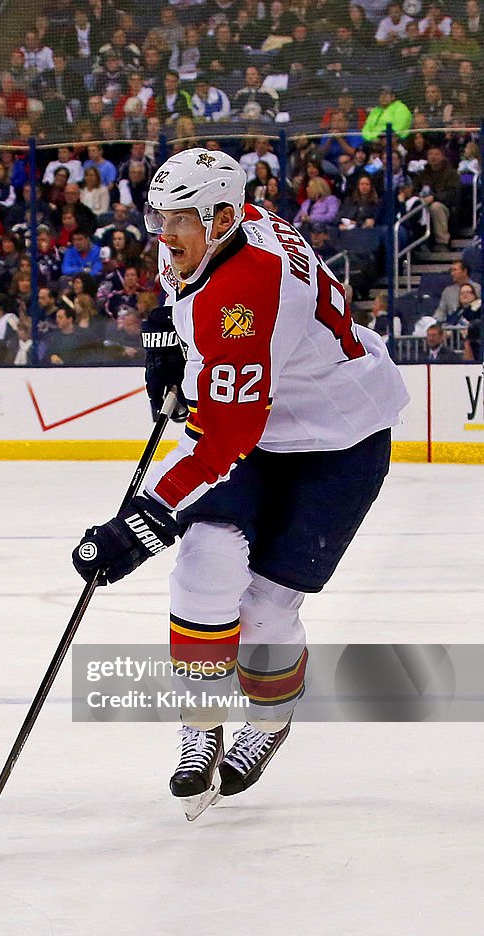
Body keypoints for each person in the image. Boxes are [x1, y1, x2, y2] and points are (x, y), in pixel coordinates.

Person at [72, 148, 409, 818]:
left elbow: (222, 440)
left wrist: (138, 524)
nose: (162, 235)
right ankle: (199, 722)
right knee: (204, 566)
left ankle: (268, 720)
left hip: (338, 443)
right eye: (157, 217)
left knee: (265, 613)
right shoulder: (234, 227)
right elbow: (188, 297)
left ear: (221, 215)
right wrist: (166, 334)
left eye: (177, 220)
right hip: (263, 425)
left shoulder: (247, 292)